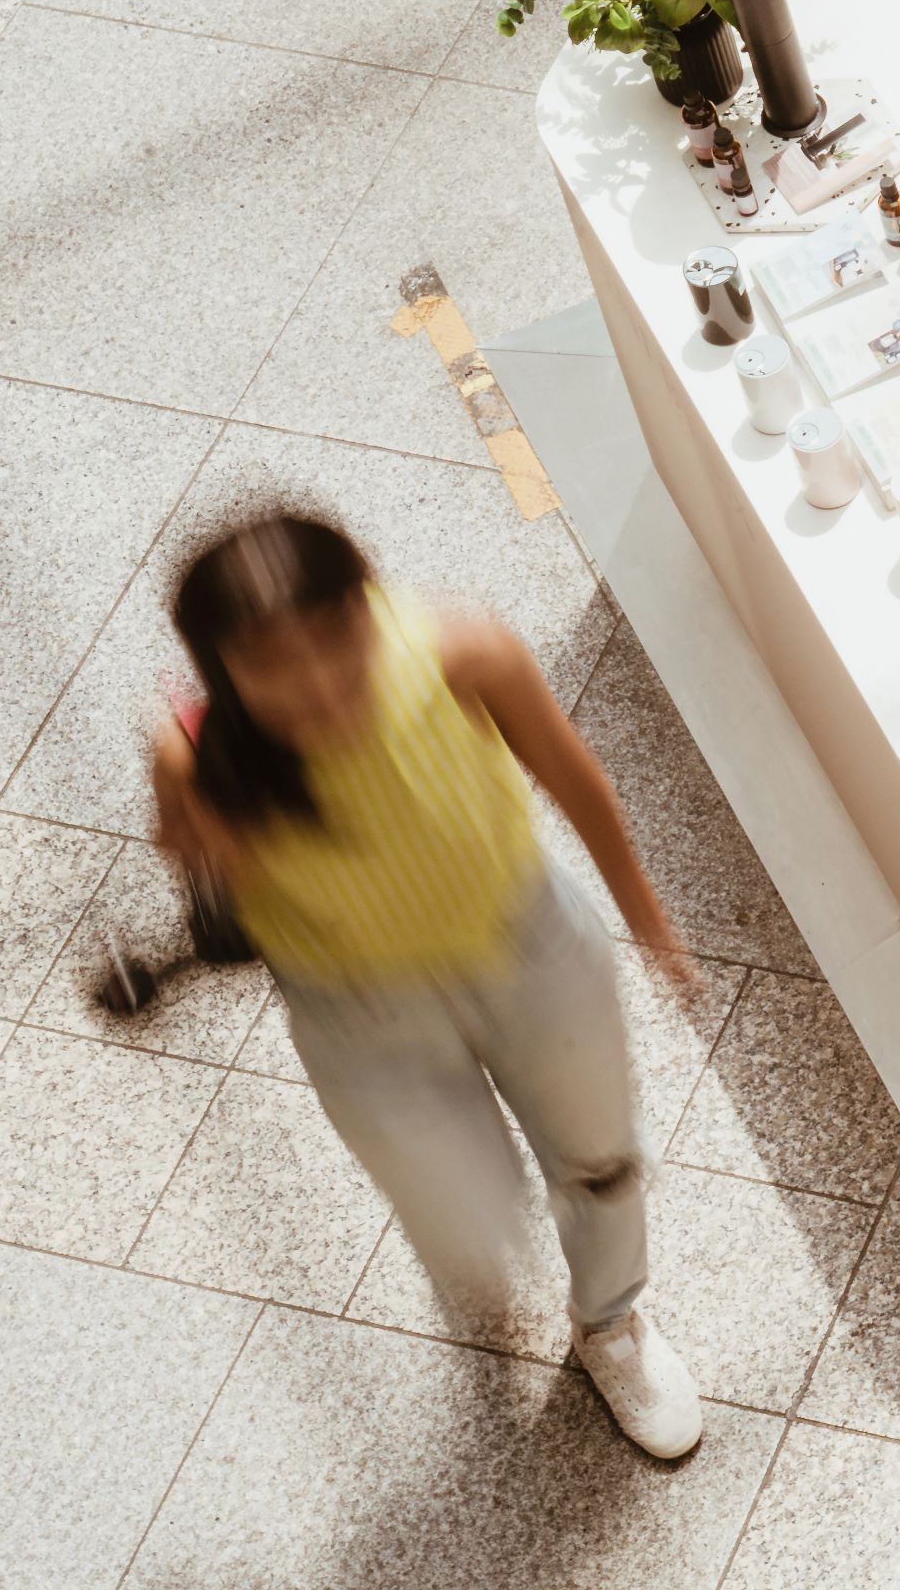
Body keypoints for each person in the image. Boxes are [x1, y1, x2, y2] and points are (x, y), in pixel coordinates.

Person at [145, 512, 708, 1459]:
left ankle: (610, 1324)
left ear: (371, 604)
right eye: (272, 663)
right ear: (219, 668)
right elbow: (200, 865)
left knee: (601, 1164)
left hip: (527, 948)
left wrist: (649, 922)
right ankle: (481, 1275)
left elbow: (580, 785)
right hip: (357, 1010)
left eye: (337, 637)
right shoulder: (192, 755)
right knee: (464, 1218)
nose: (319, 682)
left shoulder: (462, 653)